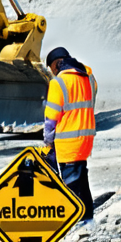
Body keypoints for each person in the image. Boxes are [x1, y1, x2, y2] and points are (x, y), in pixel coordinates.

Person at [42, 46, 98, 228]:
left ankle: (78, 222)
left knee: (72, 183)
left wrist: (48, 142)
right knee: (82, 178)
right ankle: (88, 219)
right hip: (86, 139)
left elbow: (51, 119)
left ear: (57, 64)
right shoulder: (88, 77)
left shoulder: (59, 83)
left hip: (68, 142)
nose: (53, 73)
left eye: (52, 69)